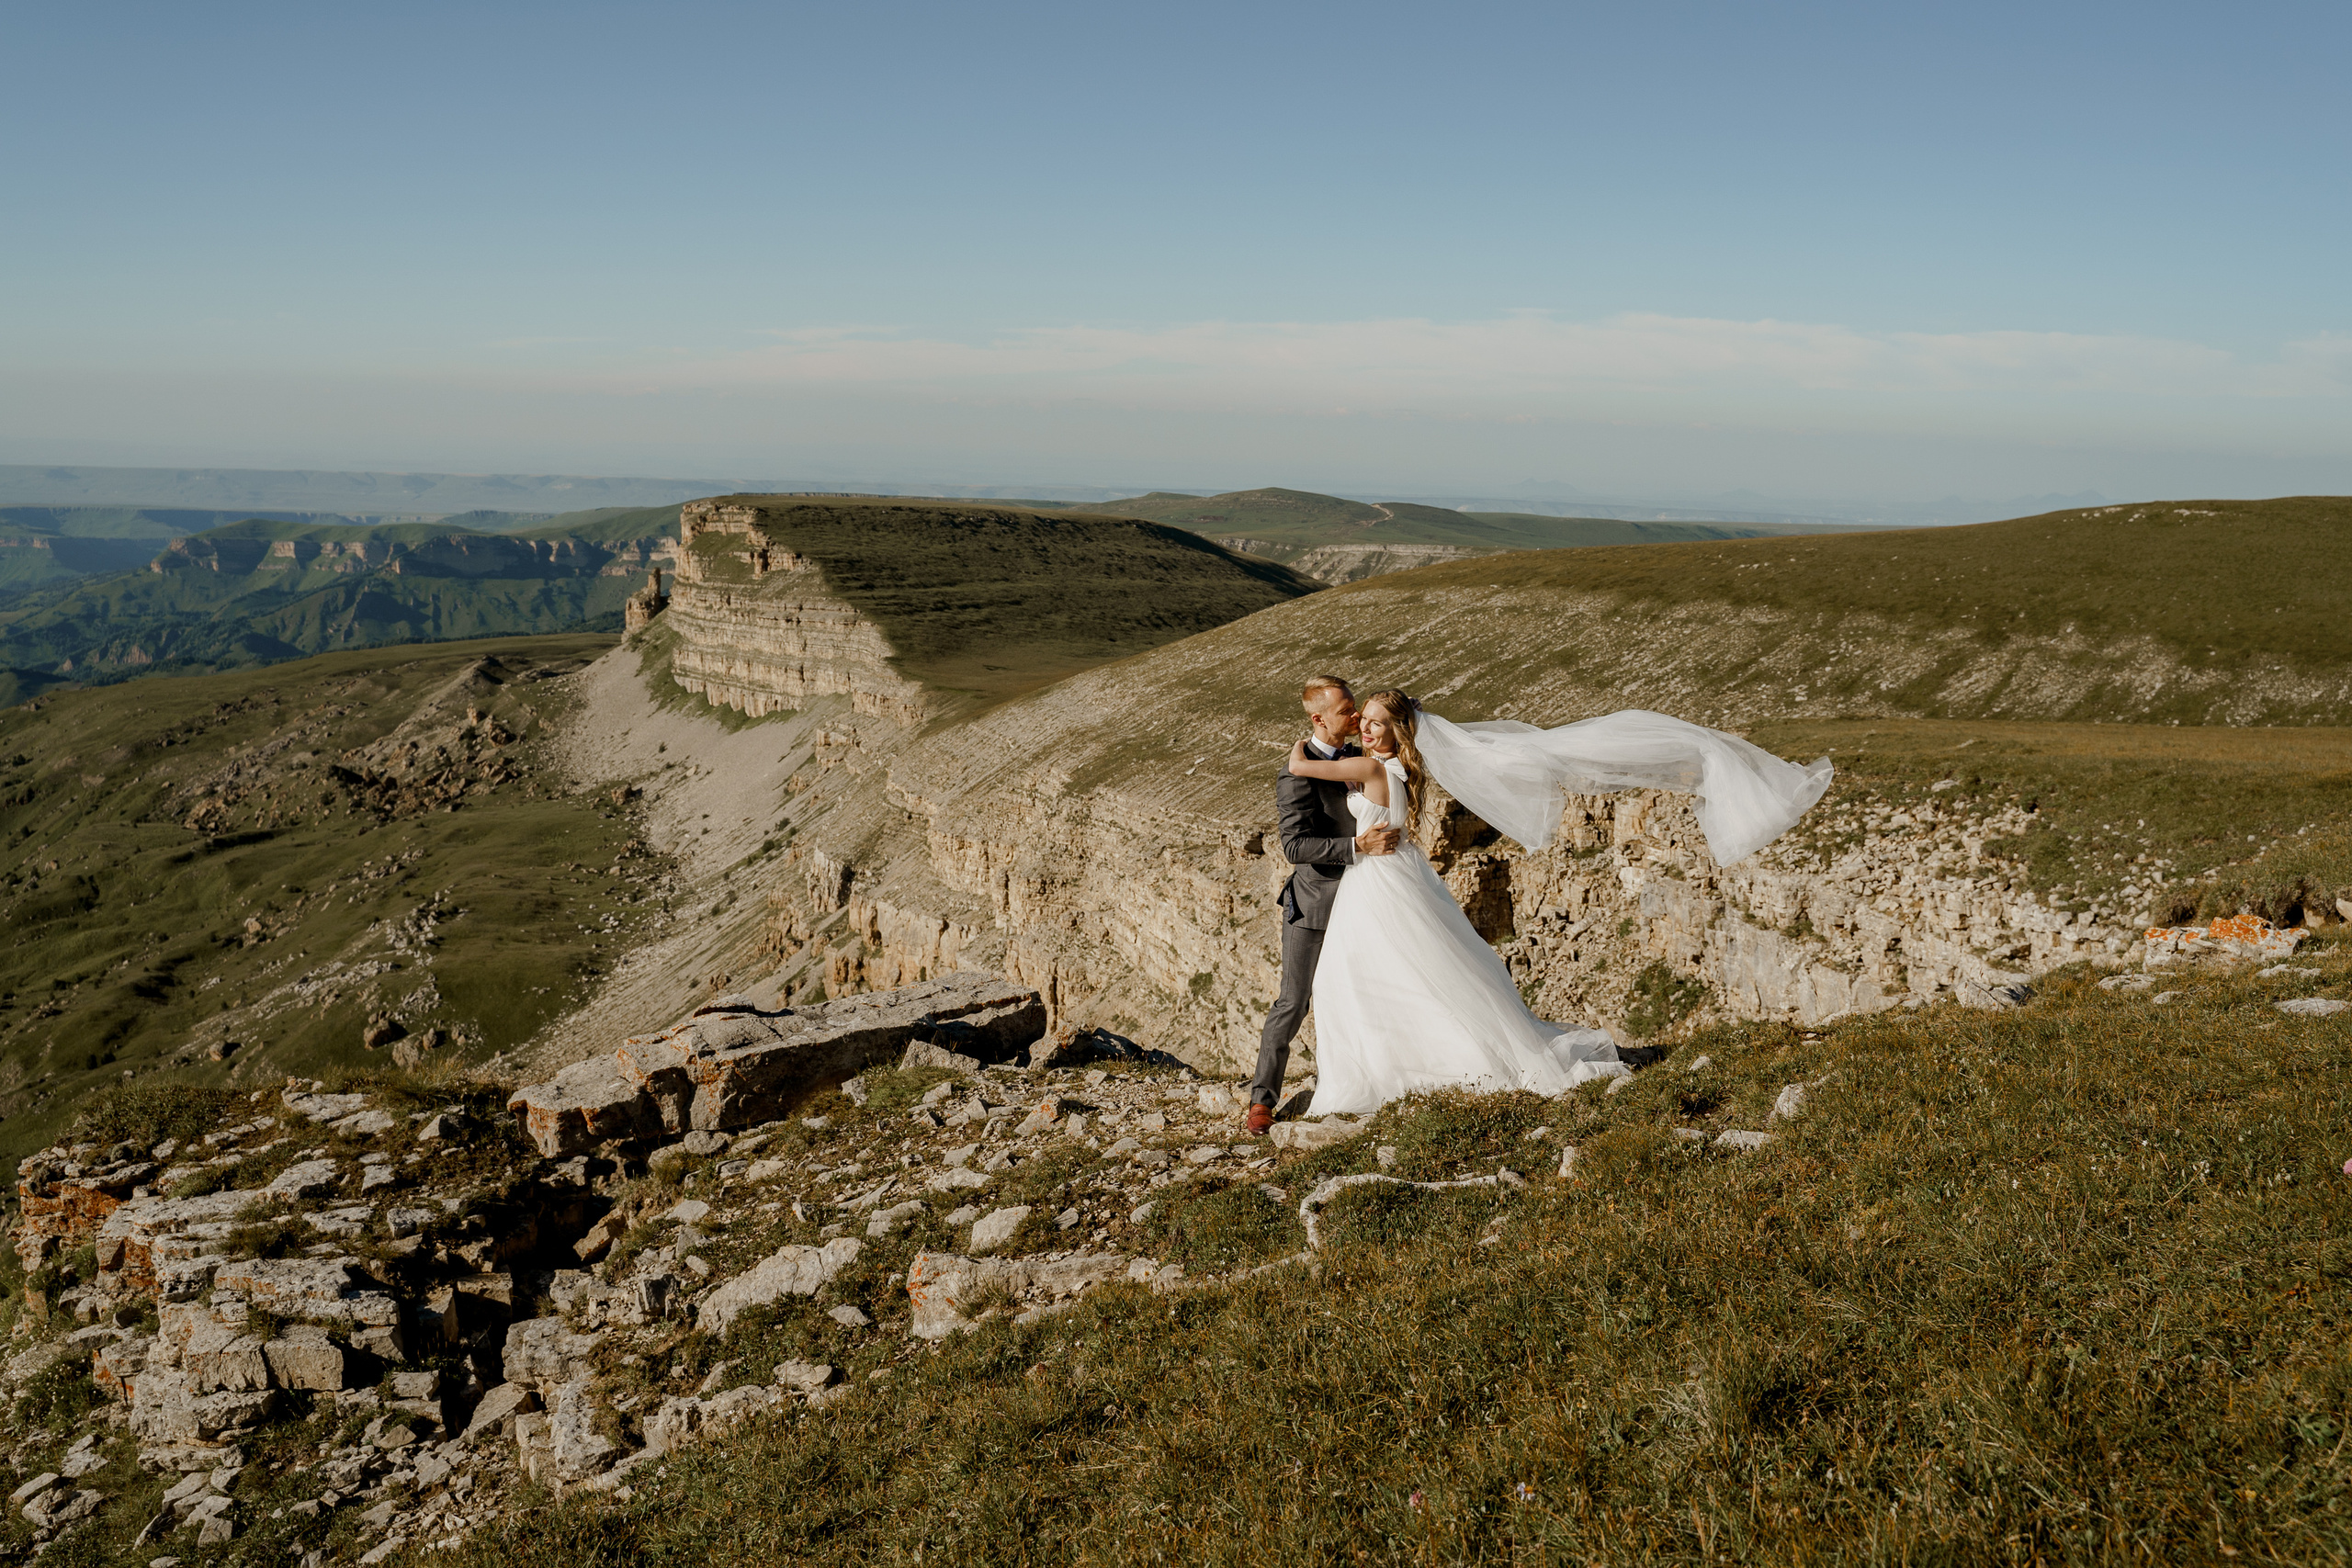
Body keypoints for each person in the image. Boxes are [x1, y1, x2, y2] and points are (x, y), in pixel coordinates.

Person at [1283, 690, 1832, 1116]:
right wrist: (1361, 729)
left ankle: (1397, 1068)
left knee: (1358, 975)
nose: (1365, 728)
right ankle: (1412, 1059)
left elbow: (1303, 766)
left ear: (1398, 730)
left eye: (1376, 721)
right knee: (1411, 968)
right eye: (1364, 720)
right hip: (1394, 872)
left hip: (1378, 876)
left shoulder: (1374, 767)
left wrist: (1315, 735)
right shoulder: (1398, 767)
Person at [1245, 675, 1398, 1135]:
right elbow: (1294, 847)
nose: (1355, 718)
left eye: (1357, 709)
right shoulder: (1296, 770)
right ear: (1318, 718)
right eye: (1346, 710)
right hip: (1314, 904)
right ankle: (1261, 1101)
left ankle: (1370, 1083)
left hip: (1366, 899)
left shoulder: (1360, 757)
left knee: (1368, 994)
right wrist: (1356, 845)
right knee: (1293, 1002)